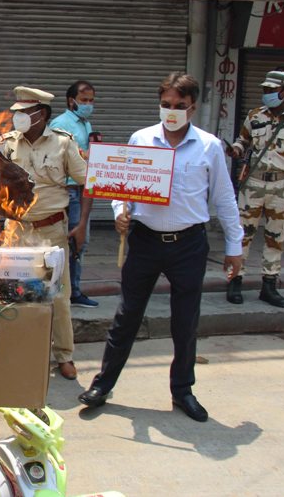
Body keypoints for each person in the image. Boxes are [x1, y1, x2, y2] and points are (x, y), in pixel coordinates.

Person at [78, 72, 243, 422]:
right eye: (166, 105)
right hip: (144, 241)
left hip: (189, 245)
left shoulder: (210, 147)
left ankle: (182, 390)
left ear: (193, 108)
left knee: (185, 323)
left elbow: (224, 198)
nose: (172, 112)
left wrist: (235, 245)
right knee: (126, 317)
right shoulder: (141, 139)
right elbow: (123, 188)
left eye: (179, 106)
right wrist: (121, 213)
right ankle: (103, 385)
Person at [0, 86, 91, 381]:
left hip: (52, 230)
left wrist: (83, 223)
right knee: (13, 294)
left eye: (24, 113)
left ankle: (64, 355)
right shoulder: (8, 143)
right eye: (16, 113)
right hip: (16, 231)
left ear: (42, 115)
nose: (18, 118)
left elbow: (89, 181)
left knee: (59, 296)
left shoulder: (63, 144)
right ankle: (15, 353)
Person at [226, 70, 284, 308]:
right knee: (242, 234)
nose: (266, 94)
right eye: (264, 90)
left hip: (282, 185)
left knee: (276, 236)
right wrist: (234, 150)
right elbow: (242, 141)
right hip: (253, 183)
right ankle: (235, 280)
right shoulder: (254, 115)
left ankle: (269, 285)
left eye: (270, 90)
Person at [50, 80, 99, 308]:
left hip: (83, 188)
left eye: (91, 100)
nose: (88, 104)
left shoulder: (85, 124)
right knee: (74, 240)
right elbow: (56, 157)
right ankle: (69, 291)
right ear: (72, 101)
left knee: (80, 241)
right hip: (69, 190)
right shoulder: (60, 124)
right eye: (84, 100)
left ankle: (72, 289)